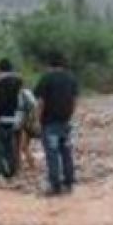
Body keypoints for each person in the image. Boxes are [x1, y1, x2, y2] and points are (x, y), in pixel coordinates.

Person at [33, 52, 79, 196]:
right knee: (66, 152)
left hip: (49, 122)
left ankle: (55, 185)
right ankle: (69, 182)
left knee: (52, 154)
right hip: (65, 122)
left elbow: (41, 102)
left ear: (50, 64)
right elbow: (75, 100)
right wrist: (70, 115)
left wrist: (36, 120)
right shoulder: (71, 79)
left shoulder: (46, 78)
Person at [0, 58, 23, 180]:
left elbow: (1, 102)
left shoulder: (1, 82)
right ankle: (12, 171)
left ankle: (0, 171)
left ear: (0, 68)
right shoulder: (19, 82)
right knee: (11, 146)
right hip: (16, 118)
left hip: (3, 118)